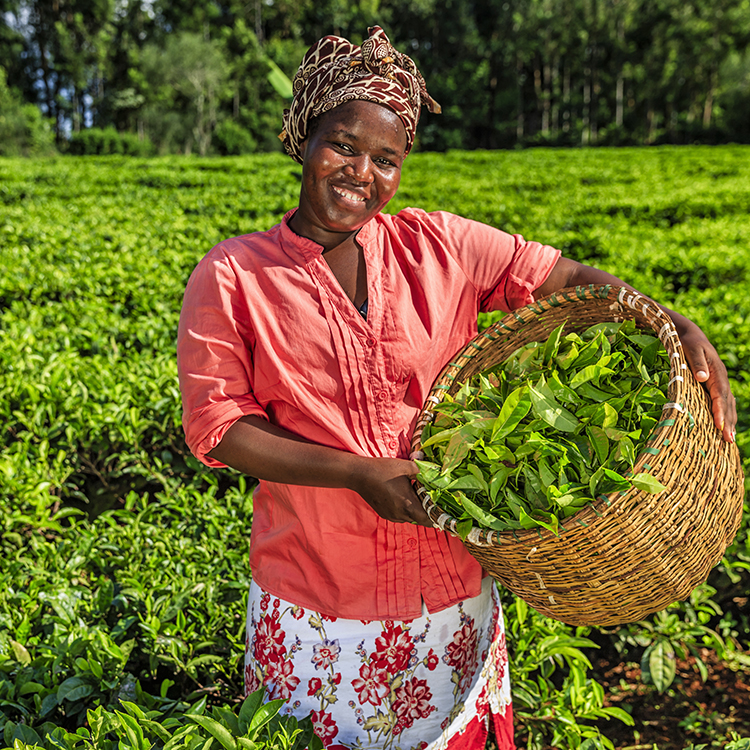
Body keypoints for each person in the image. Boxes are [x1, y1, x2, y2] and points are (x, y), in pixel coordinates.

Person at [176, 26, 737, 750]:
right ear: (304, 139)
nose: (361, 173)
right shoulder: (232, 274)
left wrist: (672, 320)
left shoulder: (437, 244)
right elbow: (218, 426)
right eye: (343, 145)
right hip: (320, 605)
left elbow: (561, 280)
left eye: (387, 159)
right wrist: (356, 474)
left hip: (454, 595)